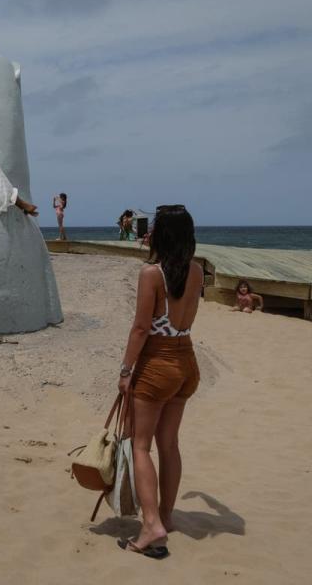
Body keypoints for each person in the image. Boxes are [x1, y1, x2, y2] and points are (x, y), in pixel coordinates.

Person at [116, 204, 202, 559]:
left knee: (140, 446)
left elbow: (140, 328)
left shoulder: (151, 273)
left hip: (157, 363)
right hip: (186, 362)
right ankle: (167, 514)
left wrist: (125, 370)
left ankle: (151, 525)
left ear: (158, 234)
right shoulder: (197, 271)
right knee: (169, 444)